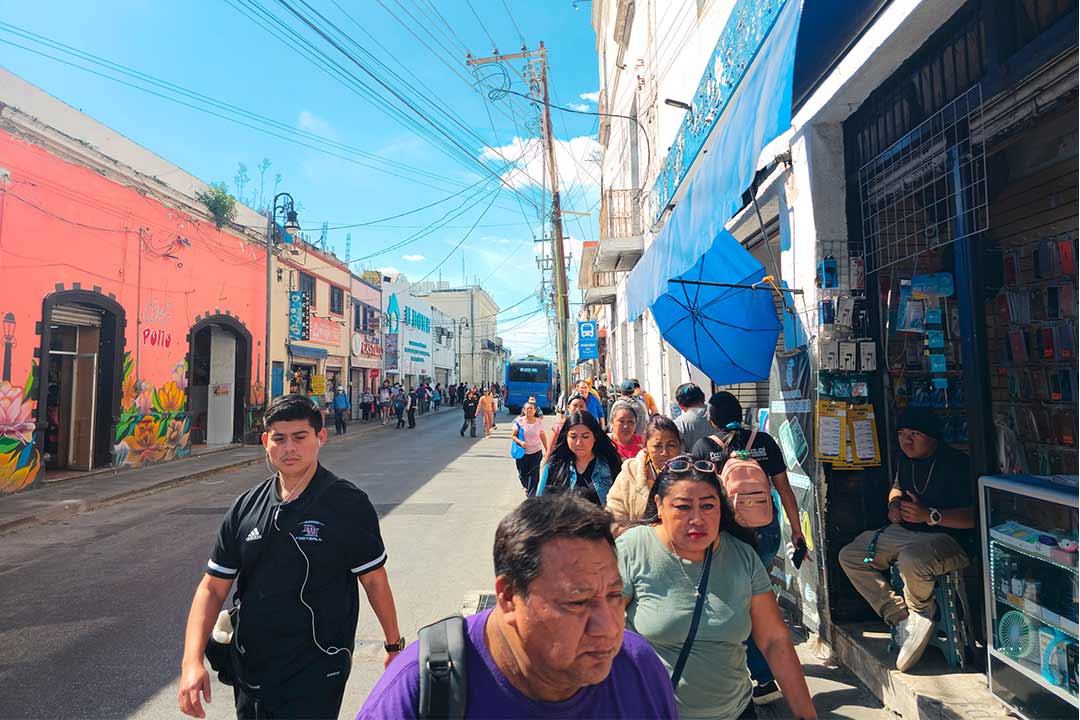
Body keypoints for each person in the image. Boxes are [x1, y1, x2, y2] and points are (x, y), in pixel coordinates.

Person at [178, 394, 403, 720]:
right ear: (265, 442)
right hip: (251, 669)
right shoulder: (246, 508)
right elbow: (212, 588)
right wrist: (191, 662)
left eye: (300, 437)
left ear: (320, 438)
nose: (289, 448)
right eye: (279, 439)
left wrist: (394, 647)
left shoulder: (348, 504)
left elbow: (374, 580)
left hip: (317, 669)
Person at [358, 494, 678, 719]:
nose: (608, 627)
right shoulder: (421, 686)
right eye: (577, 602)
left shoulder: (637, 667)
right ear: (509, 596)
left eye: (613, 596)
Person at [617, 461, 816, 720]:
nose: (697, 518)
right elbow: (597, 634)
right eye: (683, 507)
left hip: (736, 713)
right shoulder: (632, 550)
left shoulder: (742, 556)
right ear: (659, 505)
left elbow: (774, 641)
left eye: (708, 506)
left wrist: (807, 715)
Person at [838, 407, 974, 672]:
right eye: (902, 434)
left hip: (950, 539)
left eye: (915, 434)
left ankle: (921, 611)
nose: (906, 440)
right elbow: (897, 487)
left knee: (912, 560)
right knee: (851, 554)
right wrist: (894, 504)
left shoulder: (957, 464)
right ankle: (900, 616)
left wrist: (931, 516)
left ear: (932, 437)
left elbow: (974, 518)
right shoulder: (906, 460)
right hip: (906, 533)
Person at [691, 391, 805, 705]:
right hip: (766, 533)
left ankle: (757, 675)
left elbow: (701, 499)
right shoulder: (765, 441)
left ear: (712, 418)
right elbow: (784, 490)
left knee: (737, 603)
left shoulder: (705, 448)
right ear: (740, 413)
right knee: (757, 600)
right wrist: (796, 532)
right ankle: (764, 673)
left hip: (729, 535)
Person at [606, 415, 683, 535]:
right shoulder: (630, 472)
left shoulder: (694, 472)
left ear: (679, 446)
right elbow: (613, 517)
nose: (664, 452)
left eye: (671, 445)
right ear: (646, 446)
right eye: (657, 446)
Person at [536, 410, 623, 506]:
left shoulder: (610, 463)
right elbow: (540, 503)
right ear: (566, 437)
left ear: (595, 437)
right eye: (573, 437)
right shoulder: (555, 465)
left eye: (585, 437)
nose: (579, 443)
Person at [512, 400, 549, 496]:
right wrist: (520, 442)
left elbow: (542, 435)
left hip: (536, 452)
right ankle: (526, 487)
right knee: (522, 474)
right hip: (522, 453)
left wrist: (547, 448)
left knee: (534, 476)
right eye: (527, 409)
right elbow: (513, 436)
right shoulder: (519, 421)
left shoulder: (538, 422)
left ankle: (531, 496)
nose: (529, 410)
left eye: (531, 409)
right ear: (524, 410)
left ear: (535, 410)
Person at [673, 382, 710, 452]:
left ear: (680, 405)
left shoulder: (678, 424)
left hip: (692, 462)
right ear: (704, 397)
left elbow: (679, 453)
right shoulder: (719, 414)